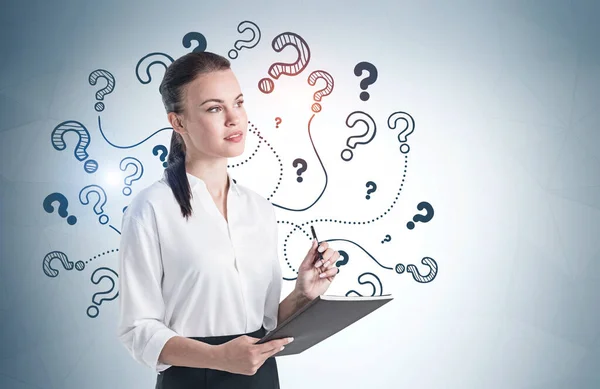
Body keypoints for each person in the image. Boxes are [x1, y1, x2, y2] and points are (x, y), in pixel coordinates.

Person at [117, 51, 341, 389]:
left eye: (238, 103)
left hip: (261, 378)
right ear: (178, 122)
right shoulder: (151, 208)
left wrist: (301, 294)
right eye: (214, 108)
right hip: (191, 380)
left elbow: (263, 323)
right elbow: (138, 329)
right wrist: (218, 357)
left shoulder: (258, 209)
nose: (234, 118)